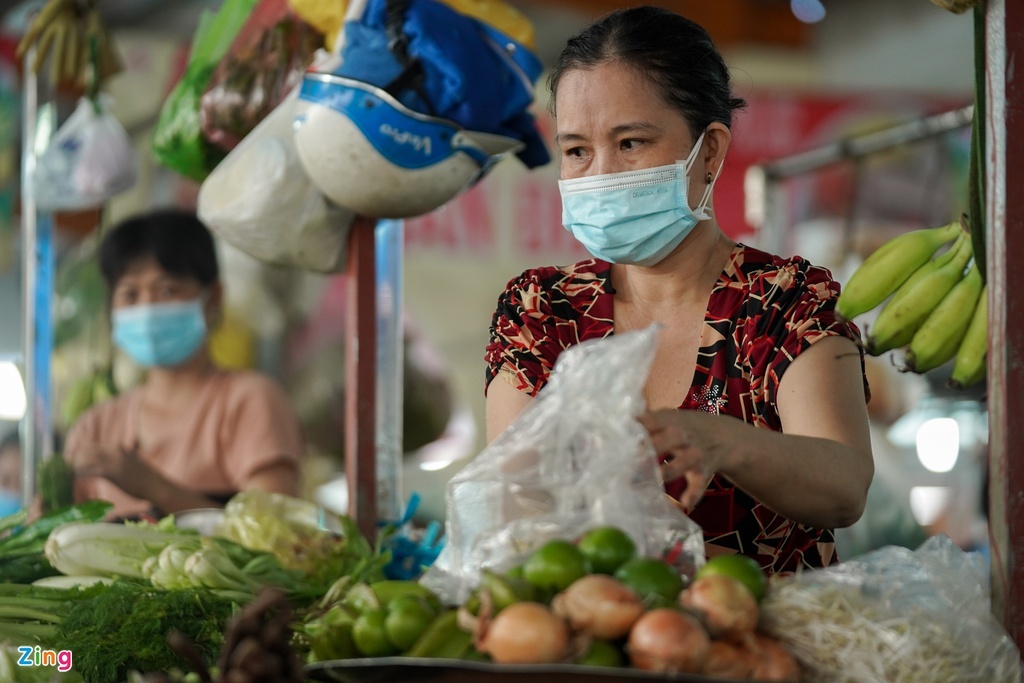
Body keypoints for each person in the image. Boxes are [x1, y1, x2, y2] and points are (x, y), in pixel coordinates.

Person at [484, 6, 874, 575]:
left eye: (631, 142)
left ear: (709, 151)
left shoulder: (786, 303)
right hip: (584, 645)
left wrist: (724, 441)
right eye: (576, 150)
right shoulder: (540, 312)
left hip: (759, 645)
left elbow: (844, 487)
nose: (601, 174)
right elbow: (513, 502)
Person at [64, 209, 305, 521]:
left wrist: (154, 487)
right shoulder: (93, 428)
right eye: (130, 294)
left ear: (213, 298)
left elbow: (275, 532)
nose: (147, 308)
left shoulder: (250, 401)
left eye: (167, 290)